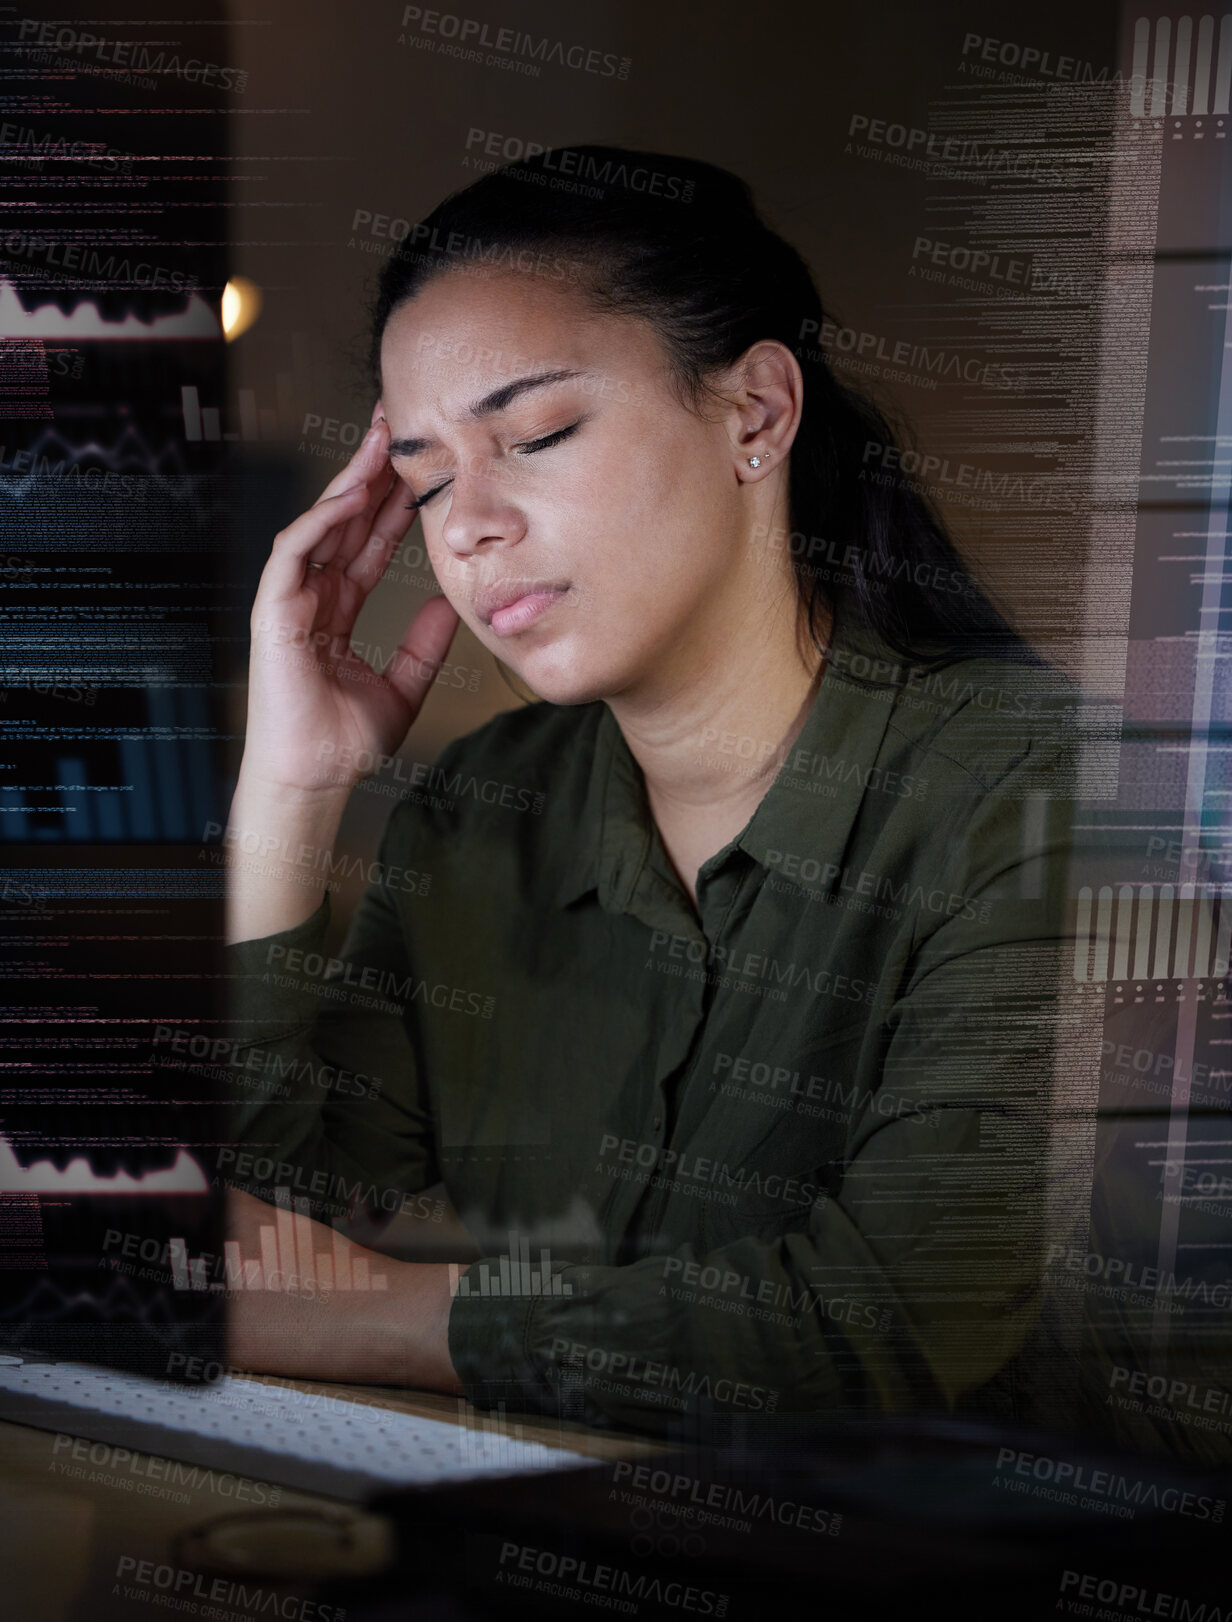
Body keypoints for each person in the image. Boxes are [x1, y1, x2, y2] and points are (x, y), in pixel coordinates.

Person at [221, 145, 1080, 1437]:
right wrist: (285, 792)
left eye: (539, 434)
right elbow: (256, 1225)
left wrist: (377, 1311)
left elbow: (897, 1318)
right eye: (427, 477)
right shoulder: (480, 811)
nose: (467, 526)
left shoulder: (1038, 790)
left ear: (755, 416)